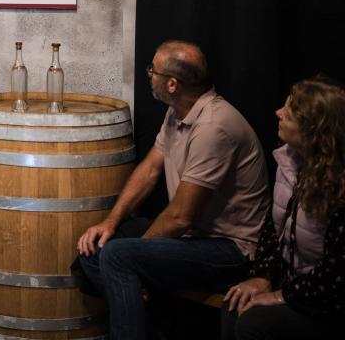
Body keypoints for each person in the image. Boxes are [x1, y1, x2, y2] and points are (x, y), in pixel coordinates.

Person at [75, 40, 270, 340]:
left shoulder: (213, 127)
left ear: (172, 84)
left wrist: (138, 255)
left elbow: (181, 217)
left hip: (230, 250)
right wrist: (110, 223)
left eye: (152, 70)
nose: (149, 75)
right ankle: (150, 325)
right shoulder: (177, 112)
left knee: (117, 257)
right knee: (93, 251)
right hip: (193, 238)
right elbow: (149, 171)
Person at [221, 76, 345, 339]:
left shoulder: (339, 188)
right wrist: (263, 276)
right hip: (292, 283)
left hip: (326, 299)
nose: (277, 113)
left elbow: (335, 277)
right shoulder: (289, 162)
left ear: (312, 129)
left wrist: (281, 296)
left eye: (287, 114)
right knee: (234, 303)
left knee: (254, 323)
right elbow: (273, 226)